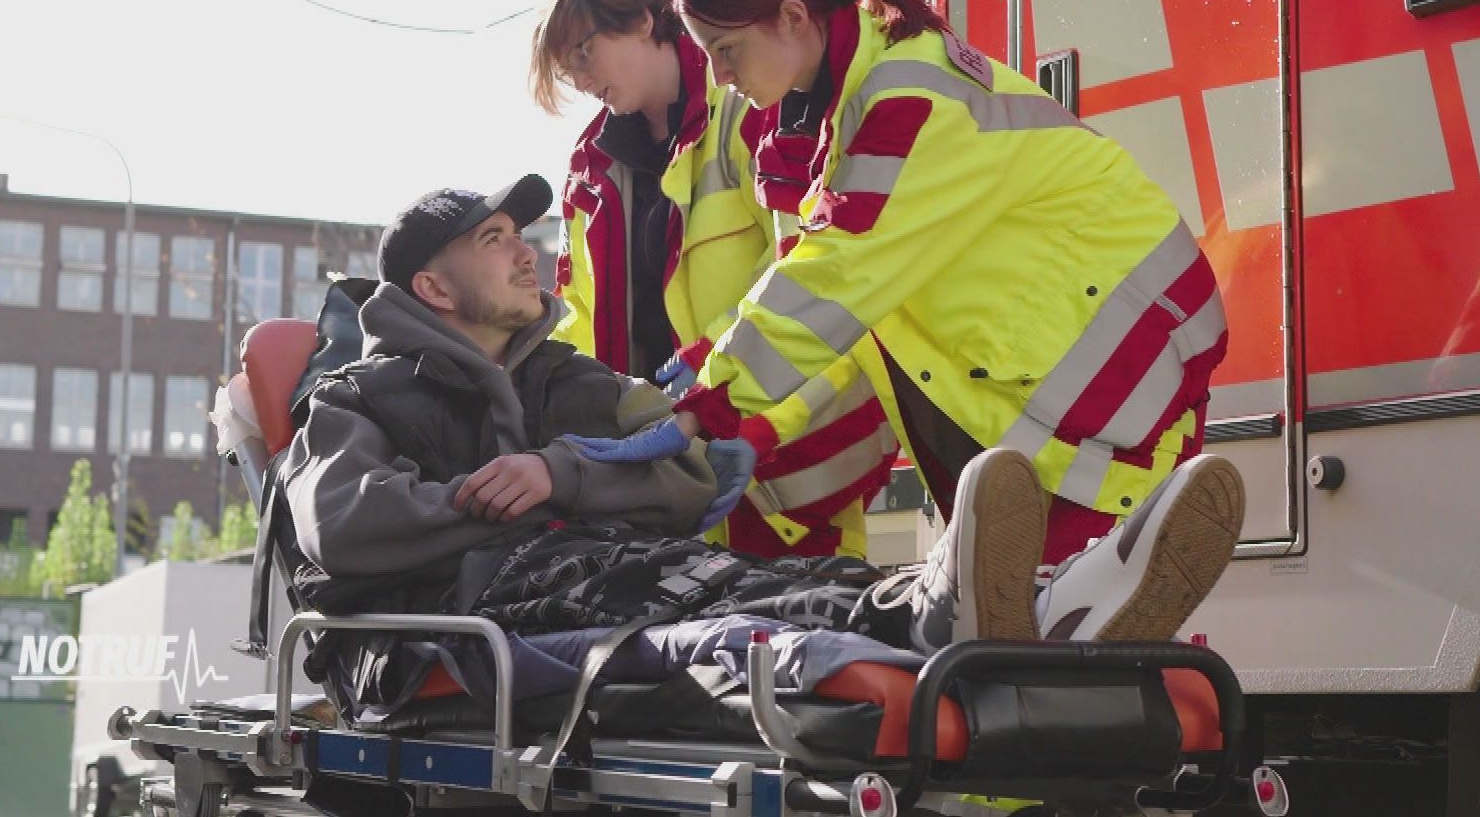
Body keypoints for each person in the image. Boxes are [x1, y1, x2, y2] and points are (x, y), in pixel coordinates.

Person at [278, 178, 1245, 719]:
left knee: (728, 577)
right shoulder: (358, 396)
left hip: (592, 563)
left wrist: (558, 472)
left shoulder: (565, 377)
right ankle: (966, 614)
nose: (527, 250)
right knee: (717, 603)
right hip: (463, 616)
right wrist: (512, 504)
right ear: (433, 290)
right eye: (495, 240)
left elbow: (685, 473)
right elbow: (348, 528)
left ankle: (1047, 601)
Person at [659, 0, 1233, 567]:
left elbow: (836, 274)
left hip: (1120, 379)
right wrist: (739, 405)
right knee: (1052, 639)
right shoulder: (861, 101)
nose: (720, 76)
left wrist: (711, 408)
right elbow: (840, 294)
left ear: (792, 18)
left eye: (725, 50)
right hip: (1101, 383)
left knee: (1060, 643)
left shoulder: (900, 100)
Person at [530, 0, 898, 560]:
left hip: (775, 458)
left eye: (583, 53)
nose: (577, 78)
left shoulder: (756, 106)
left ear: (646, 21)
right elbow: (580, 310)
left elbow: (810, 273)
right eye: (566, 68)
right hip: (651, 470)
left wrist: (729, 401)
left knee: (792, 639)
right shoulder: (589, 165)